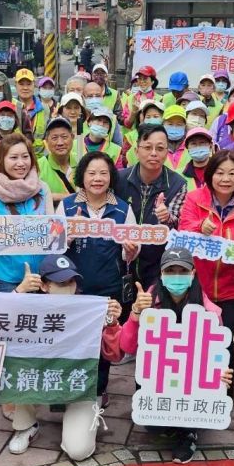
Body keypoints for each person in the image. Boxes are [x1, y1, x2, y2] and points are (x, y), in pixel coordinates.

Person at [120, 247, 234, 464]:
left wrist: (220, 375)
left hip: (191, 375)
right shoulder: (149, 300)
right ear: (161, 275)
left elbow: (217, 354)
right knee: (154, 424)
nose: (176, 276)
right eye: (170, 271)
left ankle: (189, 432)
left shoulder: (208, 312)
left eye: (182, 270)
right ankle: (172, 419)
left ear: (192, 274)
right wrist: (135, 313)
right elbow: (126, 346)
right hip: (161, 373)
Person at [8, 254, 122, 457]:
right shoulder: (31, 308)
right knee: (19, 363)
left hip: (79, 384)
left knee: (79, 451)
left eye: (71, 281)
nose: (68, 287)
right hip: (41, 376)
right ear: (44, 286)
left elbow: (114, 354)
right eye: (60, 282)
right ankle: (25, 425)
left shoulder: (91, 308)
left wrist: (113, 324)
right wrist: (19, 291)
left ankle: (86, 413)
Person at [61, 152, 138, 394]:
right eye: (91, 173)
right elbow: (54, 247)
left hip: (108, 288)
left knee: (104, 342)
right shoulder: (67, 205)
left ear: (111, 177)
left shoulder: (122, 209)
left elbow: (130, 254)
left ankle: (98, 392)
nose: (97, 178)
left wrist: (131, 250)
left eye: (103, 173)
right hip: (72, 288)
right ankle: (69, 390)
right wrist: (68, 236)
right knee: (73, 341)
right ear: (82, 176)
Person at [180, 149, 234, 370]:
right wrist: (199, 227)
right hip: (197, 285)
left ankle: (225, 395)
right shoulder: (194, 198)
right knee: (193, 342)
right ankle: (193, 391)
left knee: (224, 343)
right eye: (220, 173)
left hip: (233, 288)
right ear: (210, 175)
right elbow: (184, 231)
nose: (226, 179)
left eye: (232, 173)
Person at [115, 124, 188, 287]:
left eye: (160, 148)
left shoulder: (177, 183)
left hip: (157, 267)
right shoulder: (119, 179)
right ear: (136, 151)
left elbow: (178, 224)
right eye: (147, 147)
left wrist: (167, 217)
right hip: (120, 263)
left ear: (167, 152)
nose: (153, 153)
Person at [0, 133, 55, 291]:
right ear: (2, 160)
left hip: (44, 277)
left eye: (25, 156)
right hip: (8, 278)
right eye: (13, 157)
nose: (21, 163)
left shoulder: (42, 188)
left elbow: (53, 230)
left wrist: (65, 232)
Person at [38, 116, 77, 205]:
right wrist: (65, 197)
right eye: (54, 138)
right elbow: (31, 197)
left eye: (64, 137)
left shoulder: (83, 164)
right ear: (47, 141)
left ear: (72, 137)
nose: (60, 143)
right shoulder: (38, 166)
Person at [122, 66, 159, 130]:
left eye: (145, 78)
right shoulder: (130, 98)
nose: (142, 81)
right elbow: (126, 124)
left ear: (152, 81)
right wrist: (133, 112)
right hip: (133, 138)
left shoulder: (159, 99)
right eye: (139, 78)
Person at [14, 68, 42, 148]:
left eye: (29, 84)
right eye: (21, 84)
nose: (25, 88)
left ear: (34, 84)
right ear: (15, 85)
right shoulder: (10, 109)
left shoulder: (44, 109)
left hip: (39, 158)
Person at [162, 104, 190, 173]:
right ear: (163, 124)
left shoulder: (190, 146)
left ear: (185, 126)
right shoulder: (156, 146)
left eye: (179, 124)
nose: (174, 128)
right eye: (170, 124)